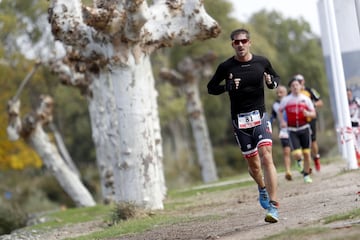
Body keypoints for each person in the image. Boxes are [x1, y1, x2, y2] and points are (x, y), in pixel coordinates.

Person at [207, 28, 280, 223]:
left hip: (260, 116)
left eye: (243, 41)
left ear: (249, 42)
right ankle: (262, 188)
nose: (240, 44)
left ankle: (274, 207)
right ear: (232, 44)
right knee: (255, 167)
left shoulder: (262, 62)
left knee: (267, 158)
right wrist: (227, 88)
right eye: (236, 42)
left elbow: (275, 79)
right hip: (240, 122)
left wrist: (271, 82)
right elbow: (210, 88)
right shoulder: (226, 67)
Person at [278, 78, 316, 183]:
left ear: (300, 86)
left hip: (305, 129)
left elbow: (313, 113)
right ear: (290, 88)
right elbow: (280, 111)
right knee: (297, 154)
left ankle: (306, 175)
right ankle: (299, 161)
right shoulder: (286, 100)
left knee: (307, 154)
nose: (295, 87)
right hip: (292, 130)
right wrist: (282, 121)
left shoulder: (306, 99)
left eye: (297, 85)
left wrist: (308, 114)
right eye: (293, 85)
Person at [293, 74, 323, 172]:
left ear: (303, 81)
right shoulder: (292, 93)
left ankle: (316, 159)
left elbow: (320, 102)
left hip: (310, 119)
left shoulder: (309, 91)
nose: (299, 83)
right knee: (302, 143)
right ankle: (305, 164)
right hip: (298, 121)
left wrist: (312, 104)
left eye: (300, 81)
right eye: (296, 81)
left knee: (313, 140)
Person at [271, 85, 292, 181]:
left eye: (281, 92)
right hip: (283, 130)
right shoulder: (275, 105)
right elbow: (272, 117)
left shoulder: (292, 100)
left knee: (298, 151)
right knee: (286, 151)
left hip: (295, 128)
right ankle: (288, 171)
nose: (279, 94)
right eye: (277, 93)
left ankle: (301, 164)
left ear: (286, 93)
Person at [347, 88, 360, 165]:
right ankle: (358, 161)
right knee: (354, 145)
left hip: (357, 124)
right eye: (347, 94)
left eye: (349, 93)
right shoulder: (345, 103)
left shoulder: (356, 100)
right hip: (350, 127)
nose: (348, 95)